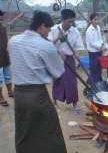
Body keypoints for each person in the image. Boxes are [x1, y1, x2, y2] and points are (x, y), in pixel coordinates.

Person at [8, 11, 67, 153]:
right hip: (37, 95)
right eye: (48, 29)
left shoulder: (13, 41)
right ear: (41, 26)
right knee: (50, 128)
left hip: (20, 95)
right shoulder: (46, 46)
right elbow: (57, 72)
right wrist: (62, 60)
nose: (48, 33)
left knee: (24, 128)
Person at [48, 9, 84, 113]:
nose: (70, 24)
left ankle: (75, 103)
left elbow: (78, 46)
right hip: (56, 58)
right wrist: (57, 38)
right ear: (62, 20)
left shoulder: (75, 31)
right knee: (57, 80)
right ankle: (54, 100)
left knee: (71, 81)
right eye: (68, 21)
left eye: (72, 21)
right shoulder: (54, 29)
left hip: (69, 59)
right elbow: (48, 45)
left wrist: (77, 53)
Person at [86, 13, 107, 82]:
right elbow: (91, 43)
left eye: (97, 19)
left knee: (99, 67)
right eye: (95, 20)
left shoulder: (98, 27)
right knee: (94, 67)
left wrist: (103, 44)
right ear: (91, 20)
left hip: (99, 51)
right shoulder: (89, 30)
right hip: (93, 52)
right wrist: (101, 46)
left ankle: (99, 81)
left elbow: (99, 38)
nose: (96, 21)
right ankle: (94, 82)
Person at [0, 9, 13, 107]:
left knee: (8, 75)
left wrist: (9, 39)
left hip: (5, 55)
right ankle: (0, 98)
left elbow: (5, 42)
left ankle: (10, 91)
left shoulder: (3, 28)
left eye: (2, 19)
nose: (1, 22)